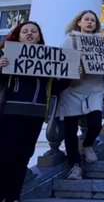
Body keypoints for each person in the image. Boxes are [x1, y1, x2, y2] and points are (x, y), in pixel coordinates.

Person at [0, 21, 53, 201]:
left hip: (35, 115)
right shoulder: (6, 56)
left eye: (34, 31)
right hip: (10, 112)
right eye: (25, 31)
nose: (29, 34)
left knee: (24, 156)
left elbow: (56, 88)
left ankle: (14, 195)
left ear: (39, 36)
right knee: (6, 154)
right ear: (18, 35)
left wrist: (70, 74)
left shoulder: (49, 59)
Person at [56, 10, 104, 180]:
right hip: (72, 89)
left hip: (94, 88)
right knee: (70, 130)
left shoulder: (102, 42)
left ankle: (87, 144)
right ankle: (75, 166)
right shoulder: (69, 40)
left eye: (93, 20)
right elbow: (63, 62)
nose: (90, 22)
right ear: (79, 23)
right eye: (86, 19)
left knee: (96, 123)